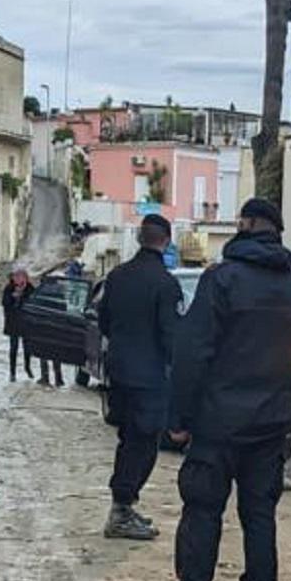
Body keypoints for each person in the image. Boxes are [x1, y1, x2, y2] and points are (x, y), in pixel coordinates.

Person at [142, 198, 291, 581]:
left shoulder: (221, 279)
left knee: (202, 517)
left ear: (244, 226)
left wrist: (179, 420)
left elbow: (191, 353)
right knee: (260, 520)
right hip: (270, 425)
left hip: (218, 425)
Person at [96, 214, 180, 540]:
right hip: (149, 378)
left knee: (128, 440)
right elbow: (170, 336)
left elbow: (103, 320)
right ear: (166, 241)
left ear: (139, 239)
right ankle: (121, 509)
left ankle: (123, 507)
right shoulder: (165, 284)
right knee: (144, 445)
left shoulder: (117, 277)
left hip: (118, 373)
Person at [1, 267, 33, 381]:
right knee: (13, 348)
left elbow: (32, 304)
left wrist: (23, 296)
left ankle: (27, 367)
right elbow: (5, 303)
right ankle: (12, 372)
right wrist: (13, 297)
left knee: (27, 347)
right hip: (13, 323)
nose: (18, 279)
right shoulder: (9, 288)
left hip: (26, 323)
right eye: (16, 277)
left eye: (21, 277)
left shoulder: (30, 289)